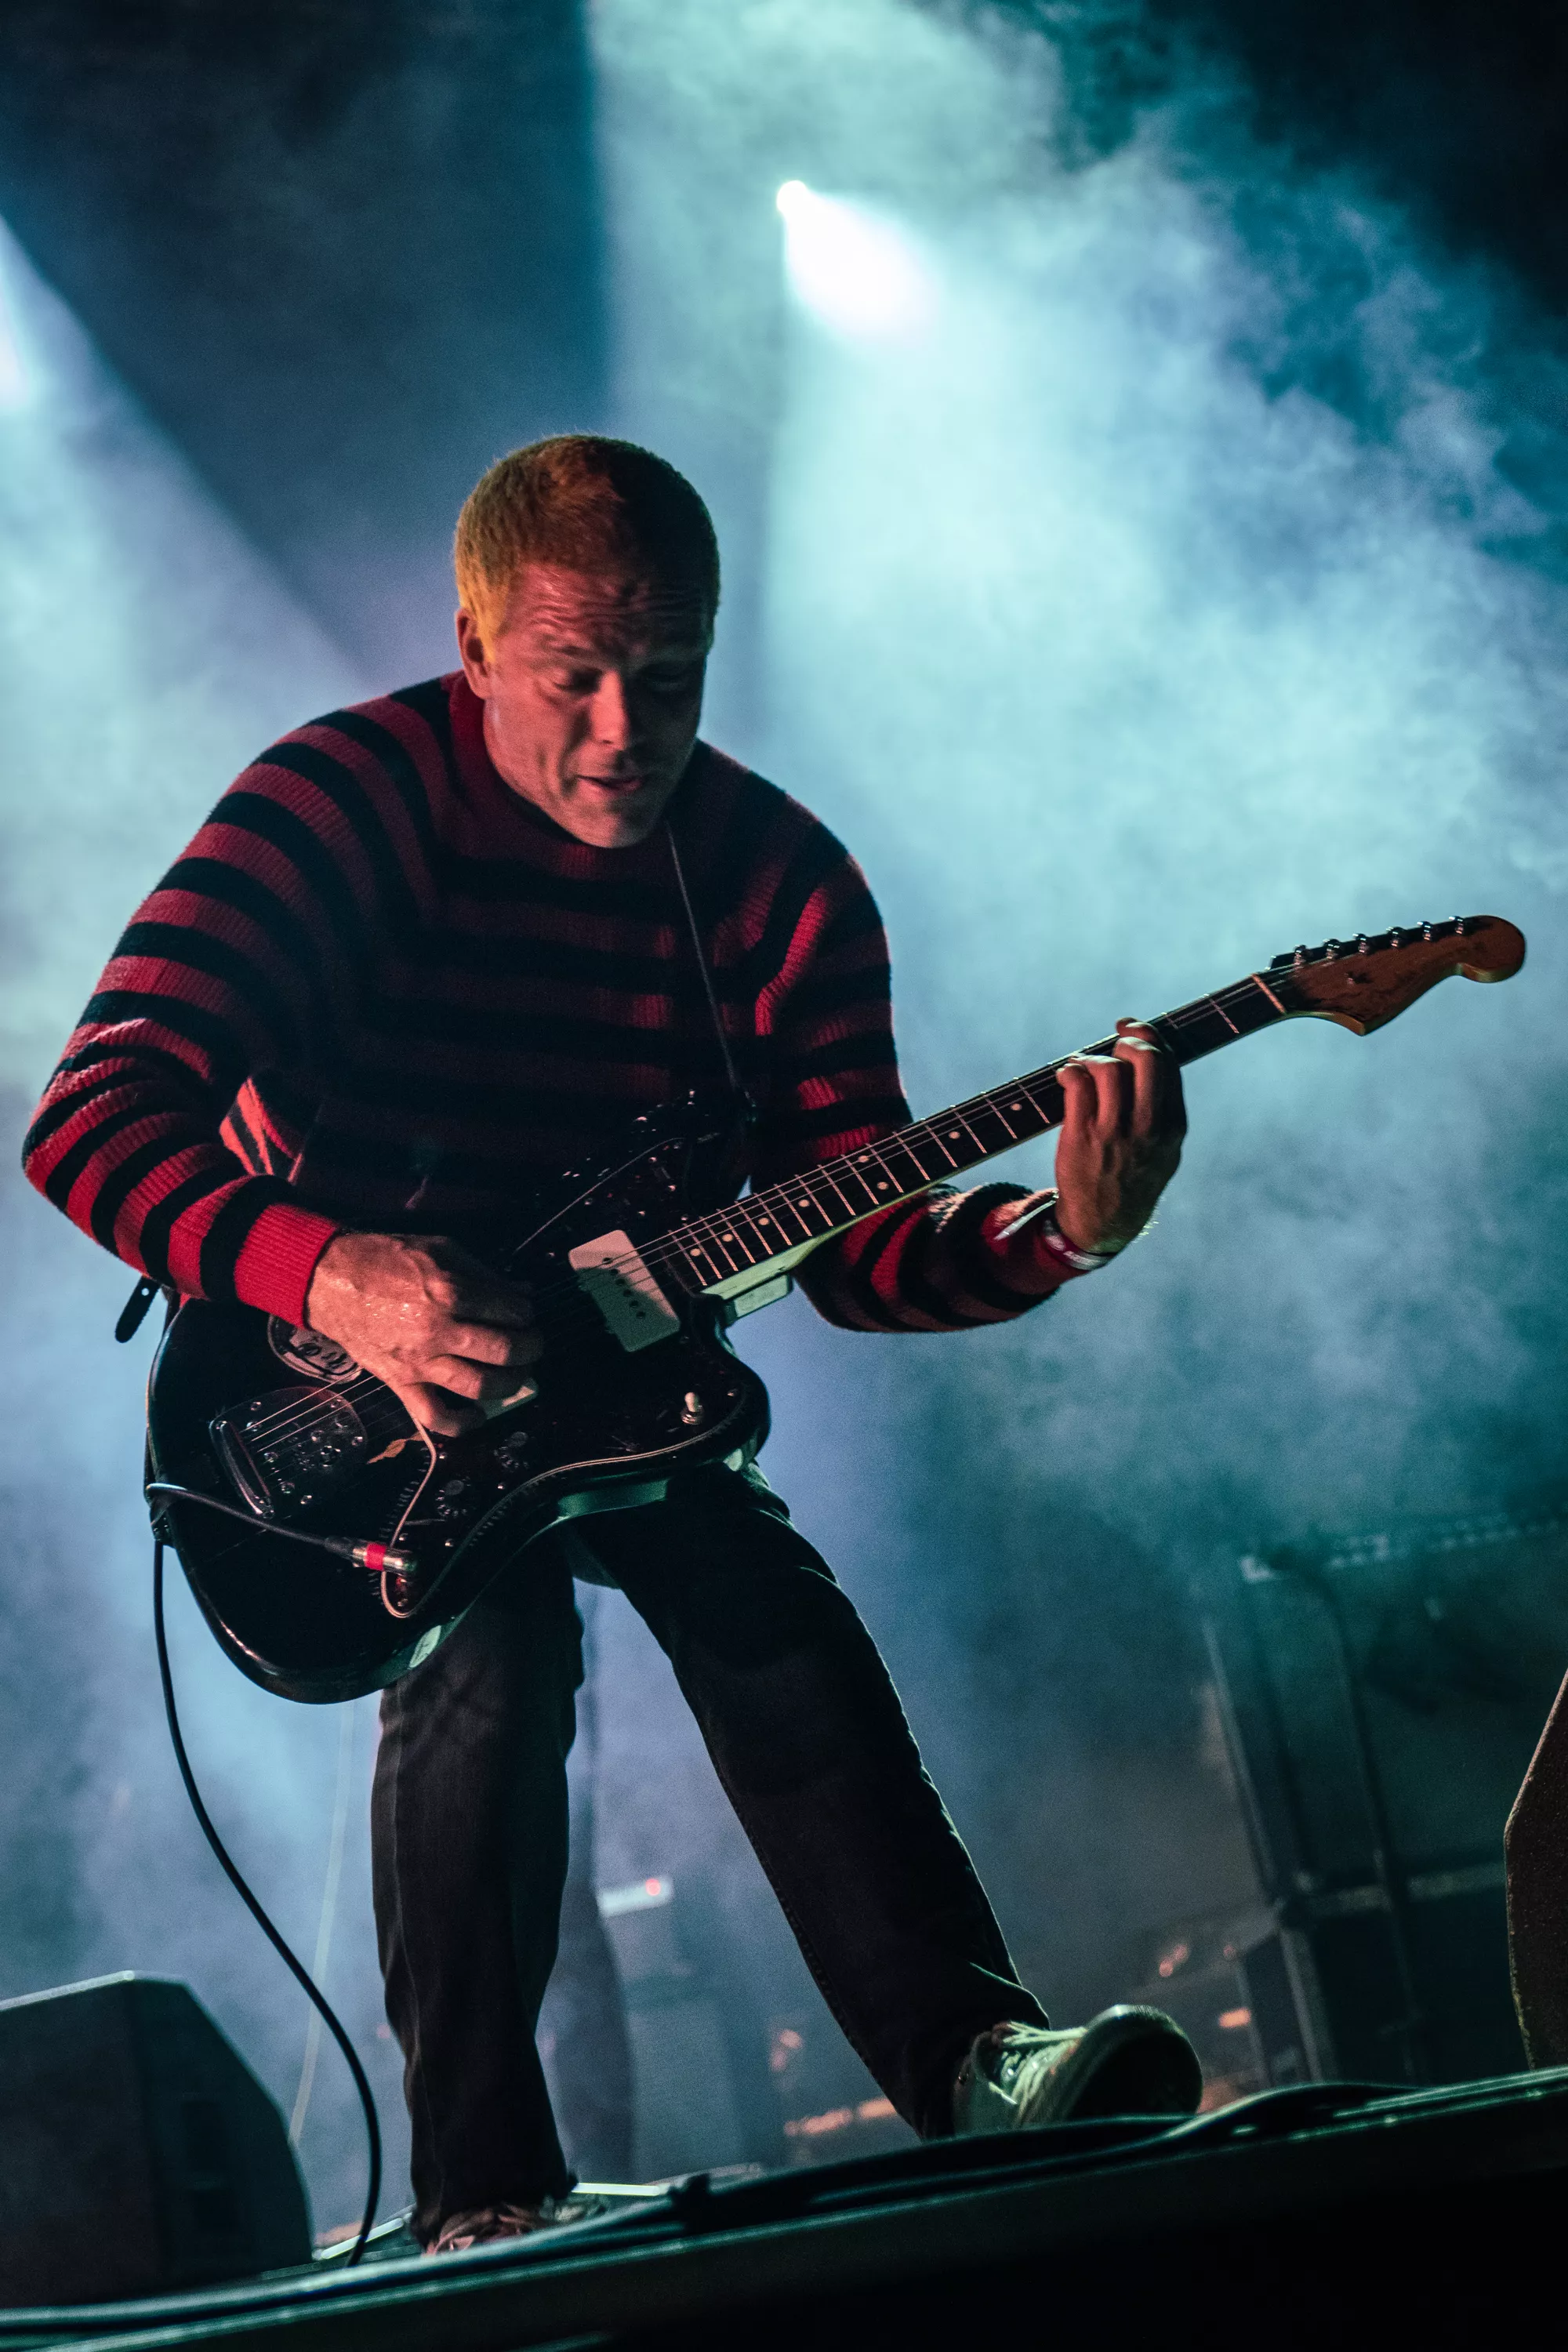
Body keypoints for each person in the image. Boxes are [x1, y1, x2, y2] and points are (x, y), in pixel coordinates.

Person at [24, 435, 1200, 2252]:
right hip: (332, 1395)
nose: (618, 730)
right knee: (486, 1650)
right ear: (473, 644)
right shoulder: (337, 802)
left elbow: (852, 1242)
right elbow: (90, 1117)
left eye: (667, 675)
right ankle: (482, 2195)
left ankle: (979, 2063)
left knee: (766, 1599)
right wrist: (329, 1275)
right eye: (571, 673)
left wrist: (1060, 1234)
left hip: (622, 1375)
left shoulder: (781, 884)